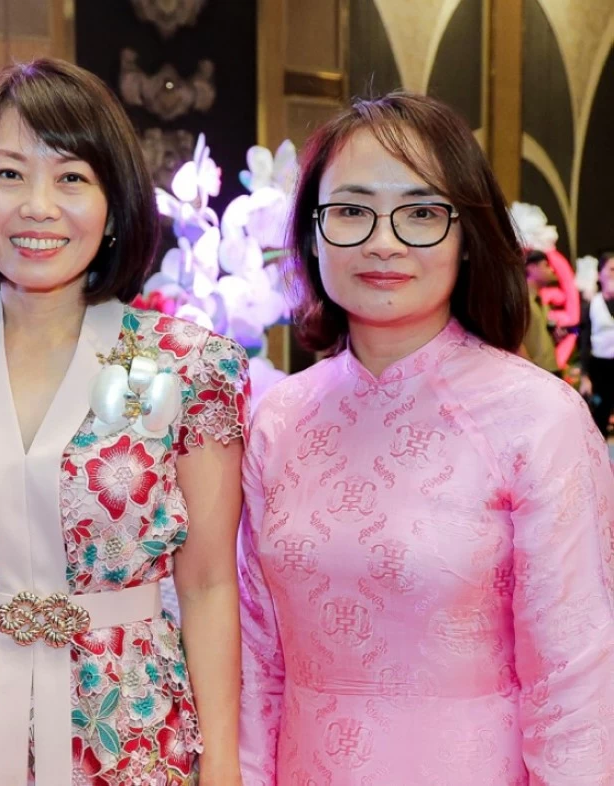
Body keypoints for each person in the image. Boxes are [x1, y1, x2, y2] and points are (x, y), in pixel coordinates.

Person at [0, 58, 247, 785]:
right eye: (9, 174)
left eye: (71, 178)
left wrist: (220, 770)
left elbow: (207, 586)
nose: (37, 205)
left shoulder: (186, 365)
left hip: (128, 735)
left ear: (113, 203)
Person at [238, 92, 614, 784]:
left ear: (466, 234)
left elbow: (574, 682)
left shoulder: (537, 418)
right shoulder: (278, 419)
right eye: (351, 211)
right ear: (312, 234)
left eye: (420, 213)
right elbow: (256, 659)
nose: (384, 242)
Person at [579, 250, 614, 437]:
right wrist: (585, 375)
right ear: (600, 273)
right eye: (611, 269)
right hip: (601, 367)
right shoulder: (591, 304)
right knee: (600, 415)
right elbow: (584, 341)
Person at [522, 249, 561, 375]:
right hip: (536, 372)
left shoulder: (541, 302)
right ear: (532, 268)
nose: (552, 270)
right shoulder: (521, 301)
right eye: (546, 265)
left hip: (550, 367)